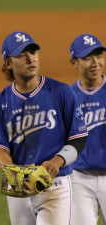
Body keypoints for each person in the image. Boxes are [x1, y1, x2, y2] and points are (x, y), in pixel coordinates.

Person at [0, 31, 88, 225]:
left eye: (33, 52)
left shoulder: (61, 92)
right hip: (17, 186)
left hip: (54, 184)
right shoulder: (1, 101)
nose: (30, 58)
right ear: (8, 63)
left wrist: (57, 162)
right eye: (22, 54)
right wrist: (12, 170)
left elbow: (78, 137)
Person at [69, 34, 106, 225]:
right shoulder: (66, 98)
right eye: (87, 58)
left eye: (99, 56)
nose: (95, 63)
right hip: (79, 179)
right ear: (74, 62)